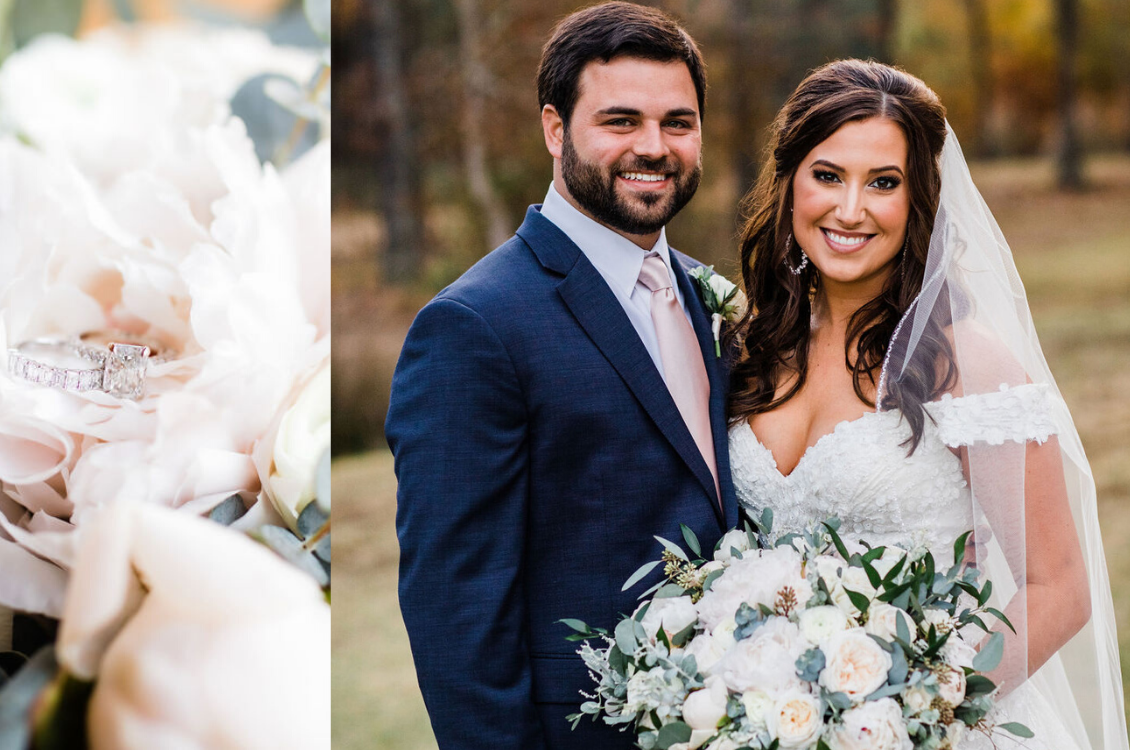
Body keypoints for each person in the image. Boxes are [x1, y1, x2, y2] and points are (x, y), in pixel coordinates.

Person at [726, 58, 1128, 749]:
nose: (850, 210)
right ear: (790, 182)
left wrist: (916, 713)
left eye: (884, 183)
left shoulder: (963, 361)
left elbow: (1058, 587)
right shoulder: (753, 347)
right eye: (828, 176)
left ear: (920, 202)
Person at [385, 3, 736, 748]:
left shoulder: (716, 298)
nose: (654, 146)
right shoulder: (474, 326)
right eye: (620, 121)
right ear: (554, 129)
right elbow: (457, 616)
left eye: (678, 122)